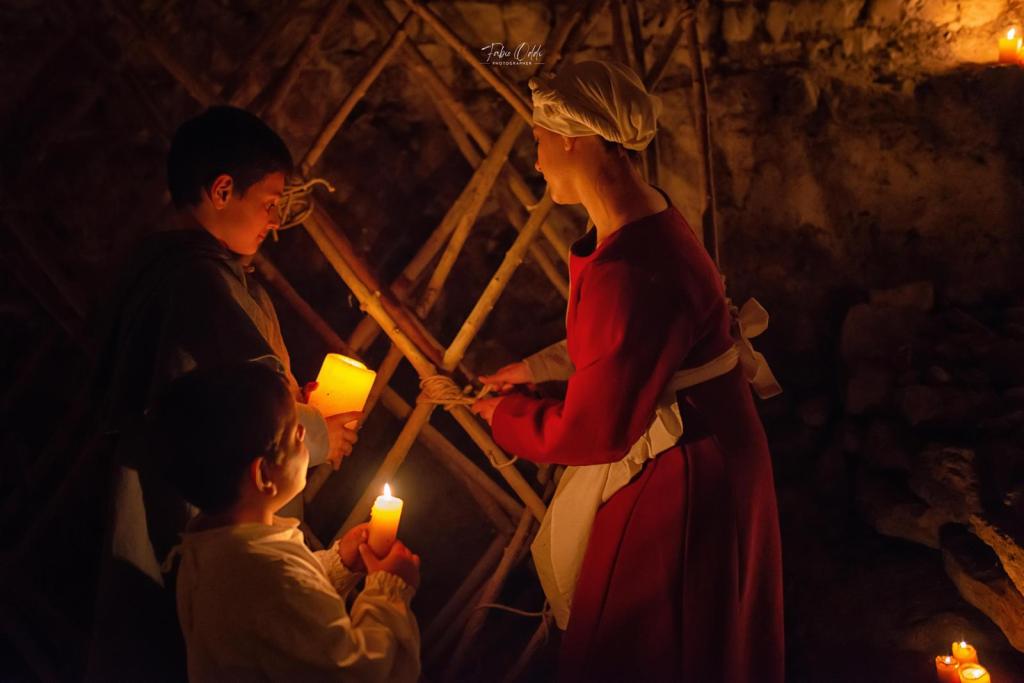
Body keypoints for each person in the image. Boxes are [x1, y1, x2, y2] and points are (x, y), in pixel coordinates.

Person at [471, 61, 785, 682]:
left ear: (571, 137)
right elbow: (633, 346)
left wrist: (503, 416)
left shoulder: (631, 264)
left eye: (538, 139)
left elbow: (597, 433)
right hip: (717, 445)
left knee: (651, 640)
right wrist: (534, 368)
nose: (535, 160)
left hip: (686, 471)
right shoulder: (649, 222)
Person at [87, 106, 359, 679]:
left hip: (150, 481)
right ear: (221, 190)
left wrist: (293, 397)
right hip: (183, 502)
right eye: (268, 204)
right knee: (182, 638)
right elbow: (230, 404)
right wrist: (315, 431)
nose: (275, 223)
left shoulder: (164, 266)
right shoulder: (196, 279)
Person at [150, 361, 420, 682]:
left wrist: (338, 565)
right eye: (295, 432)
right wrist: (388, 590)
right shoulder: (262, 576)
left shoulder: (220, 548)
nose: (305, 432)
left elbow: (288, 621)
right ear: (264, 476)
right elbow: (358, 671)